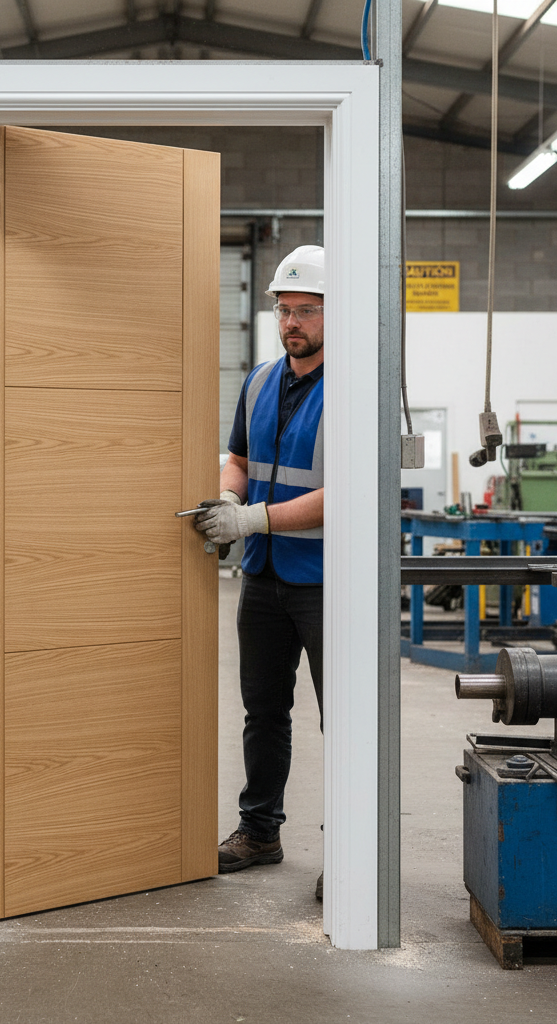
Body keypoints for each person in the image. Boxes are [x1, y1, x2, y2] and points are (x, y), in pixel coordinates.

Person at [195, 245, 326, 893]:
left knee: (345, 715)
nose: (291, 322)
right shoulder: (258, 381)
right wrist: (228, 499)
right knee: (264, 711)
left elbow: (347, 493)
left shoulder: (354, 389)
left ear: (334, 313)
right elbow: (240, 460)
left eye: (305, 310)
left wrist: (255, 521)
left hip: (330, 581)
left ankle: (354, 849)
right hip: (265, 577)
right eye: (283, 309)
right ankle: (260, 830)